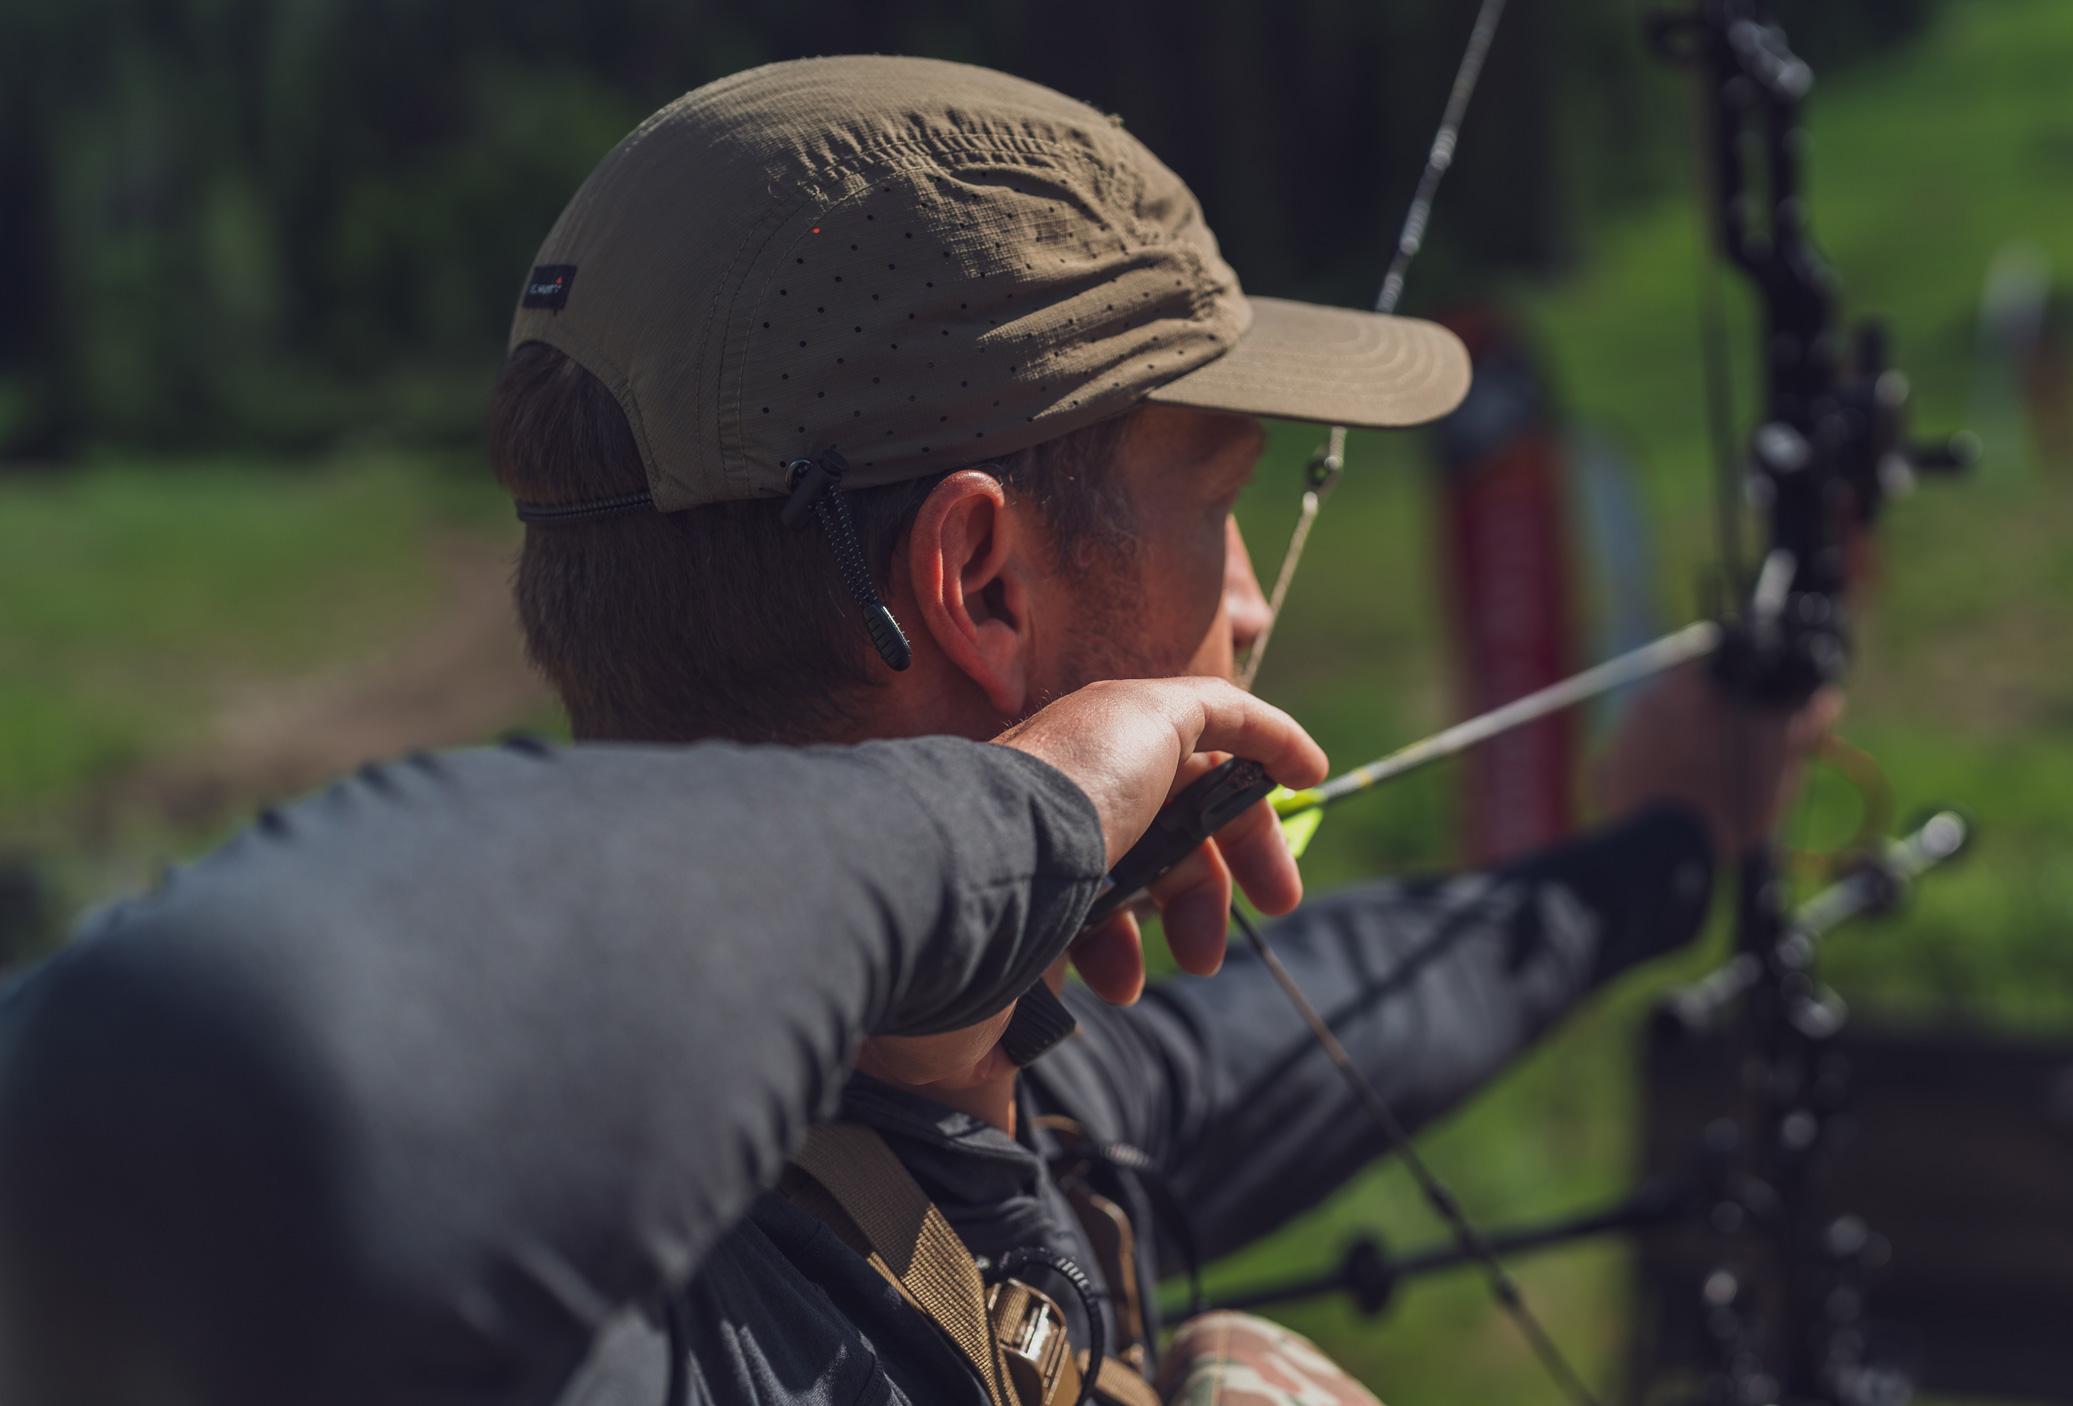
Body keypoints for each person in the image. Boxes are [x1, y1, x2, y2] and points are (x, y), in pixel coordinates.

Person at [2, 55, 1835, 1406]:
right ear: (979, 583)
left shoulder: (966, 1093)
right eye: (1214, 508)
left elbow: (1336, 1021)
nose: (1254, 602)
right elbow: (198, 1080)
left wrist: (1661, 848)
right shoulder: (652, 1326)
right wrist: (1020, 819)